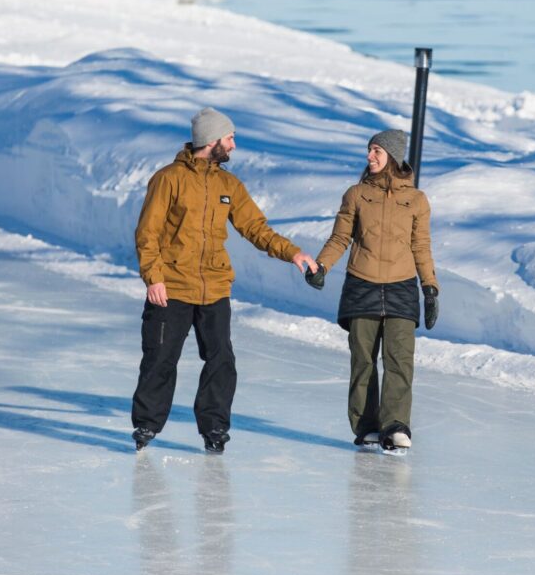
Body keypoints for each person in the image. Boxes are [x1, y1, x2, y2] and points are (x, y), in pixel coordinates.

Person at [130, 107, 318, 453]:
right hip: (171, 287)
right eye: (229, 138)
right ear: (212, 140)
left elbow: (255, 228)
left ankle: (214, 427)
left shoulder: (228, 184)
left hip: (214, 287)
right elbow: (148, 233)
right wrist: (153, 278)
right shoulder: (168, 178)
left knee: (222, 360)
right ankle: (146, 424)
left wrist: (292, 252)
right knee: (160, 358)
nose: (233, 144)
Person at [305, 129, 439, 453]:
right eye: (369, 151)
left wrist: (430, 288)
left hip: (401, 286)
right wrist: (322, 266)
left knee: (399, 359)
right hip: (362, 283)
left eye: (376, 151)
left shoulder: (416, 200)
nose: (370, 157)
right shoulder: (356, 194)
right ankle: (366, 426)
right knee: (363, 360)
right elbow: (340, 239)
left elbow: (421, 246)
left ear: (392, 156)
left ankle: (394, 426)